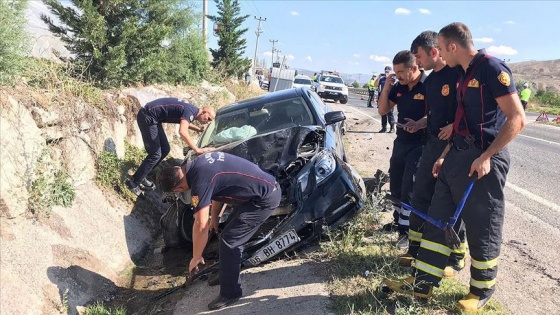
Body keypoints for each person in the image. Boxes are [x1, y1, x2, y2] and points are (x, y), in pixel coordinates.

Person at [382, 22, 526, 312]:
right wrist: (445, 153)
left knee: (482, 225)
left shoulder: (490, 68)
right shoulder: (464, 74)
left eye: (441, 50)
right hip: (455, 156)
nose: (439, 60)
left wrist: (486, 156)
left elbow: (517, 119)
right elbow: (460, 120)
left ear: (451, 46)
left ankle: (481, 290)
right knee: (438, 219)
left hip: (483, 158)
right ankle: (422, 284)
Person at [157, 152, 281, 311]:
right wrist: (215, 217)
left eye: (178, 192)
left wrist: (196, 257)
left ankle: (231, 293)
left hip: (264, 198)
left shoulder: (198, 182)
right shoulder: (196, 166)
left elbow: (200, 224)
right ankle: (226, 273)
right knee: (227, 234)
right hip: (254, 196)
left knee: (231, 240)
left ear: (178, 188)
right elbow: (216, 191)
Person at [398, 30, 467, 278]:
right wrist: (420, 123)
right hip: (432, 143)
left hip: (456, 146)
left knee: (451, 202)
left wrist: (455, 127)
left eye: (418, 56)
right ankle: (415, 248)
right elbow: (434, 114)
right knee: (421, 194)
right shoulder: (431, 81)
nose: (416, 62)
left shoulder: (457, 73)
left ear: (434, 51)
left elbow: (467, 110)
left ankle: (456, 256)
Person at [378, 51, 427, 249]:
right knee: (396, 184)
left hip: (421, 144)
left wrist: (420, 124)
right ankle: (398, 221)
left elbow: (439, 114)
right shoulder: (399, 87)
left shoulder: (429, 86)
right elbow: (383, 110)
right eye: (395, 72)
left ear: (414, 68)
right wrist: (387, 86)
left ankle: (407, 232)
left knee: (410, 187)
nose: (397, 75)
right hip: (402, 142)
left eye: (400, 72)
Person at [126, 97, 215, 196]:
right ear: (204, 112)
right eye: (209, 118)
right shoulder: (190, 111)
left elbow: (185, 122)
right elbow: (182, 131)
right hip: (148, 116)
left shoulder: (191, 111)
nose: (207, 121)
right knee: (155, 154)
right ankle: (134, 182)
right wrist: (196, 149)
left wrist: (197, 129)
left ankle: (142, 175)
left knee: (165, 149)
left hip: (154, 119)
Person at [374, 66, 396, 132]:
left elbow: (393, 85)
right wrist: (379, 77)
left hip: (390, 98)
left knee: (390, 113)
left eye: (388, 71)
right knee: (383, 113)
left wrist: (388, 78)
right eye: (385, 71)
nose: (386, 72)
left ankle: (392, 127)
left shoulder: (393, 78)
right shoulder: (382, 79)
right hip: (382, 98)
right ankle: (384, 127)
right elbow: (375, 85)